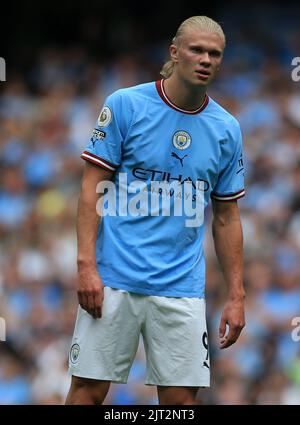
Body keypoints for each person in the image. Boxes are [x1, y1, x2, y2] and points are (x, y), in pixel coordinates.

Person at [65, 15, 246, 405]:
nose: (206, 60)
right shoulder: (126, 105)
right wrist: (85, 265)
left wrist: (236, 294)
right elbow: (90, 188)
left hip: (182, 288)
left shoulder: (226, 129)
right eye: (197, 50)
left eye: (214, 54)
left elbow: (228, 217)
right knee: (88, 393)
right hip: (114, 280)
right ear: (175, 52)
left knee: (181, 403)